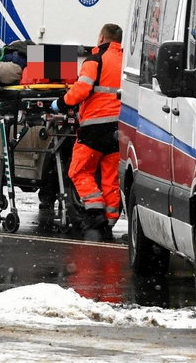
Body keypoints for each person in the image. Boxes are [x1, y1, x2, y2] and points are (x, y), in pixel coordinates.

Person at [50, 24, 123, 241]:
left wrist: (60, 104)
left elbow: (82, 89)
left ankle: (94, 213)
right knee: (110, 178)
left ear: (101, 37)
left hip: (94, 128)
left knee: (79, 171)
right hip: (118, 129)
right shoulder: (127, 61)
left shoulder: (95, 59)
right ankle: (109, 224)